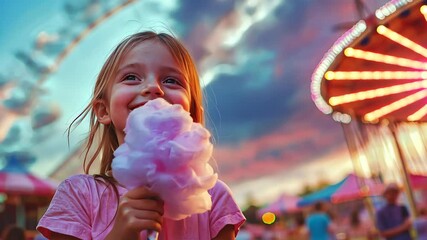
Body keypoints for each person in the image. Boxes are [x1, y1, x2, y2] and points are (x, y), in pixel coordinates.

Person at [36, 31, 245, 239]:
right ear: (103, 110)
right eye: (131, 77)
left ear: (191, 114)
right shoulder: (78, 194)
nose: (153, 87)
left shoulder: (214, 197)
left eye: (172, 80)